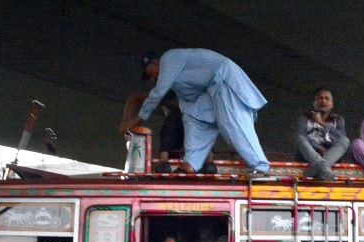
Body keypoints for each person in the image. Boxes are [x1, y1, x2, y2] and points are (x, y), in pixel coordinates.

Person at [123, 49, 271, 177]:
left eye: (150, 74)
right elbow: (188, 99)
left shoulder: (169, 58)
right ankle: (191, 163)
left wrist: (139, 117)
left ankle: (260, 166)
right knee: (191, 115)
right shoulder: (176, 79)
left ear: (155, 63)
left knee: (232, 124)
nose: (151, 79)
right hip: (210, 91)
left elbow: (159, 92)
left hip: (223, 80)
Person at [294, 86, 350, 181]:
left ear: (332, 104)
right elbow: (301, 138)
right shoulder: (305, 118)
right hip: (309, 155)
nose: (323, 101)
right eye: (320, 98)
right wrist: (319, 147)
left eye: (327, 98)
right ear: (314, 103)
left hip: (331, 156)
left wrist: (321, 123)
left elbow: (340, 139)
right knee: (300, 138)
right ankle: (324, 167)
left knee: (345, 140)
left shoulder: (338, 119)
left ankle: (317, 168)